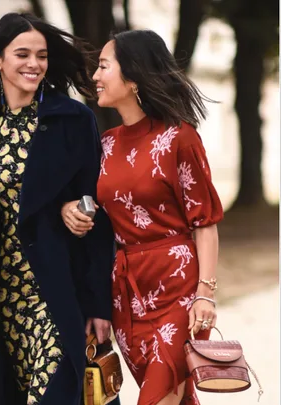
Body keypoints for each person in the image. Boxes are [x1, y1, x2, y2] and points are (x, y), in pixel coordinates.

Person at [62, 30, 223, 405]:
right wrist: (68, 209)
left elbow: (205, 222)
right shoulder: (106, 143)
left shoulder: (180, 138)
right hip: (127, 293)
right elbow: (89, 205)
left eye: (103, 66)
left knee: (156, 397)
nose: (95, 76)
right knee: (177, 399)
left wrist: (206, 295)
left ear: (132, 77)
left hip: (177, 290)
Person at [0, 12, 117, 405]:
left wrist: (99, 302)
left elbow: (97, 210)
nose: (34, 64)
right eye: (22, 54)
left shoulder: (73, 119)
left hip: (59, 289)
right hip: (7, 296)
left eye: (42, 55)